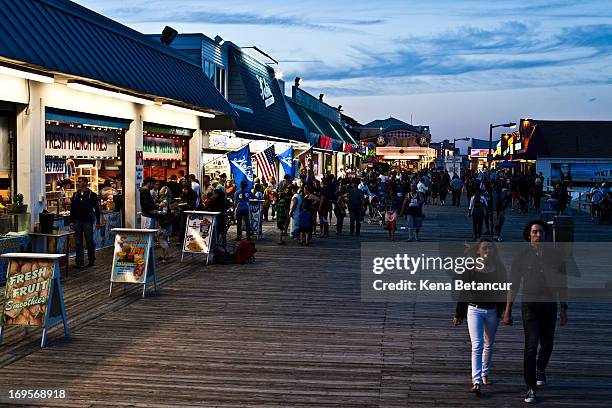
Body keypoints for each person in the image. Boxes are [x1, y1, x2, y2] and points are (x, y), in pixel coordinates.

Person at [503, 220, 568, 404]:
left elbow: (562, 284)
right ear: (529, 235)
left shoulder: (556, 257)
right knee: (531, 347)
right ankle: (530, 387)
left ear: (546, 235)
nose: (538, 235)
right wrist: (507, 310)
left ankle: (541, 367)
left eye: (541, 232)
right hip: (530, 307)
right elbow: (513, 285)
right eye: (534, 232)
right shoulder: (522, 256)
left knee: (547, 345)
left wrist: (564, 308)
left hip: (549, 307)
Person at [453, 239, 507, 394]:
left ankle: (485, 373)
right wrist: (459, 314)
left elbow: (503, 290)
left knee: (489, 343)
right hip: (474, 309)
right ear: (478, 251)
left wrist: (503, 311)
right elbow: (463, 291)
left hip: (492, 310)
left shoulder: (499, 268)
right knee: (477, 345)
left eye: (490, 248)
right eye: (485, 248)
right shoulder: (470, 268)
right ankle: (476, 381)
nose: (488, 251)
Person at [69, 177, 101, 268]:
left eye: (80, 181)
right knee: (78, 242)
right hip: (78, 221)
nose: (79, 183)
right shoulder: (76, 194)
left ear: (85, 183)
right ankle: (79, 262)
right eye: (78, 181)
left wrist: (98, 221)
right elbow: (73, 209)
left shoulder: (92, 195)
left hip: (88, 221)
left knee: (89, 241)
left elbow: (97, 208)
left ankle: (91, 260)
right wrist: (71, 221)